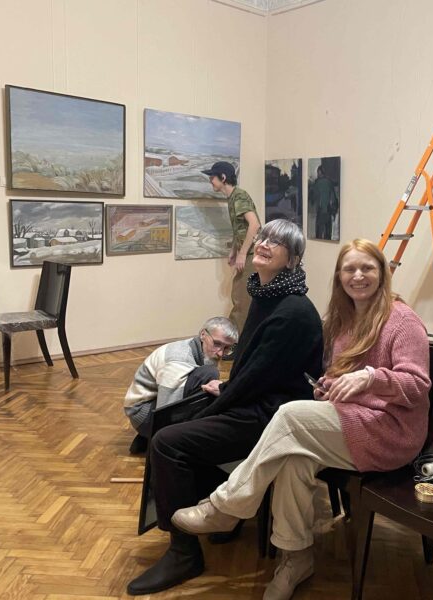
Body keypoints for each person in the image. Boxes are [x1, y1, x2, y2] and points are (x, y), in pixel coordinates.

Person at [171, 239, 431, 600]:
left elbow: (417, 385)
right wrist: (330, 386)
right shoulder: (342, 320)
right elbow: (341, 379)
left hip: (391, 432)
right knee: (293, 459)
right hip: (351, 421)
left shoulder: (402, 320)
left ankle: (227, 506)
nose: (358, 276)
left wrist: (371, 378)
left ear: (383, 273)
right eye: (349, 269)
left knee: (290, 415)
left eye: (367, 268)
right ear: (339, 277)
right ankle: (296, 558)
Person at [126, 220, 324, 596]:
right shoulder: (265, 295)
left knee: (167, 442)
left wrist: (221, 400)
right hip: (259, 400)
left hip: (275, 417)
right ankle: (220, 515)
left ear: (292, 260)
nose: (264, 243)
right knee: (180, 423)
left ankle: (184, 553)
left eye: (277, 242)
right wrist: (227, 388)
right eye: (263, 237)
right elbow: (253, 370)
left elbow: (259, 380)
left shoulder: (292, 311)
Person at [122, 316, 238, 454]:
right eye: (217, 344)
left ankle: (146, 438)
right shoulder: (178, 360)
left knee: (208, 378)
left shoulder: (196, 347)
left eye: (227, 348)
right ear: (203, 334)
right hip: (143, 414)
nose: (220, 353)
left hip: (150, 405)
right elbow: (165, 412)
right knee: (209, 374)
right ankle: (149, 437)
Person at [203, 161, 262, 331]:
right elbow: (240, 228)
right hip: (247, 252)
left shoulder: (239, 196)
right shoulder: (233, 198)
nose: (210, 181)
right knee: (240, 295)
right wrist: (234, 250)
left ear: (223, 178)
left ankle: (235, 340)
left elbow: (254, 225)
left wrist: (242, 254)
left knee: (241, 298)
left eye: (212, 177)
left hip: (252, 253)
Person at [311, 165, 338, 240]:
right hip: (328, 210)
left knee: (319, 233)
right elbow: (333, 198)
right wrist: (334, 210)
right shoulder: (329, 182)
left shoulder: (317, 183)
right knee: (328, 232)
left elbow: (314, 196)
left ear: (320, 172)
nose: (317, 174)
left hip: (320, 210)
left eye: (318, 172)